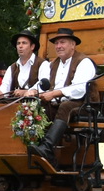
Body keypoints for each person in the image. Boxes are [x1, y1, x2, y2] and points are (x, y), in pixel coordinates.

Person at [33, 27, 98, 158]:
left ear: (73, 45)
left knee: (65, 106)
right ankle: (36, 147)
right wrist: (32, 91)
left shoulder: (84, 62)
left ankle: (47, 148)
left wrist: (54, 94)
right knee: (38, 106)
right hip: (59, 103)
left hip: (85, 105)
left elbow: (79, 89)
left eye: (62, 42)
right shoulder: (53, 64)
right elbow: (43, 83)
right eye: (56, 43)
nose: (58, 46)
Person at [0, 32, 45, 97]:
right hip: (16, 105)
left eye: (24, 43)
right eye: (18, 43)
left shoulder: (43, 64)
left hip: (39, 105)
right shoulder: (12, 68)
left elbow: (44, 86)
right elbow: (4, 89)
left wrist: (30, 91)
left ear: (32, 46)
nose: (20, 46)